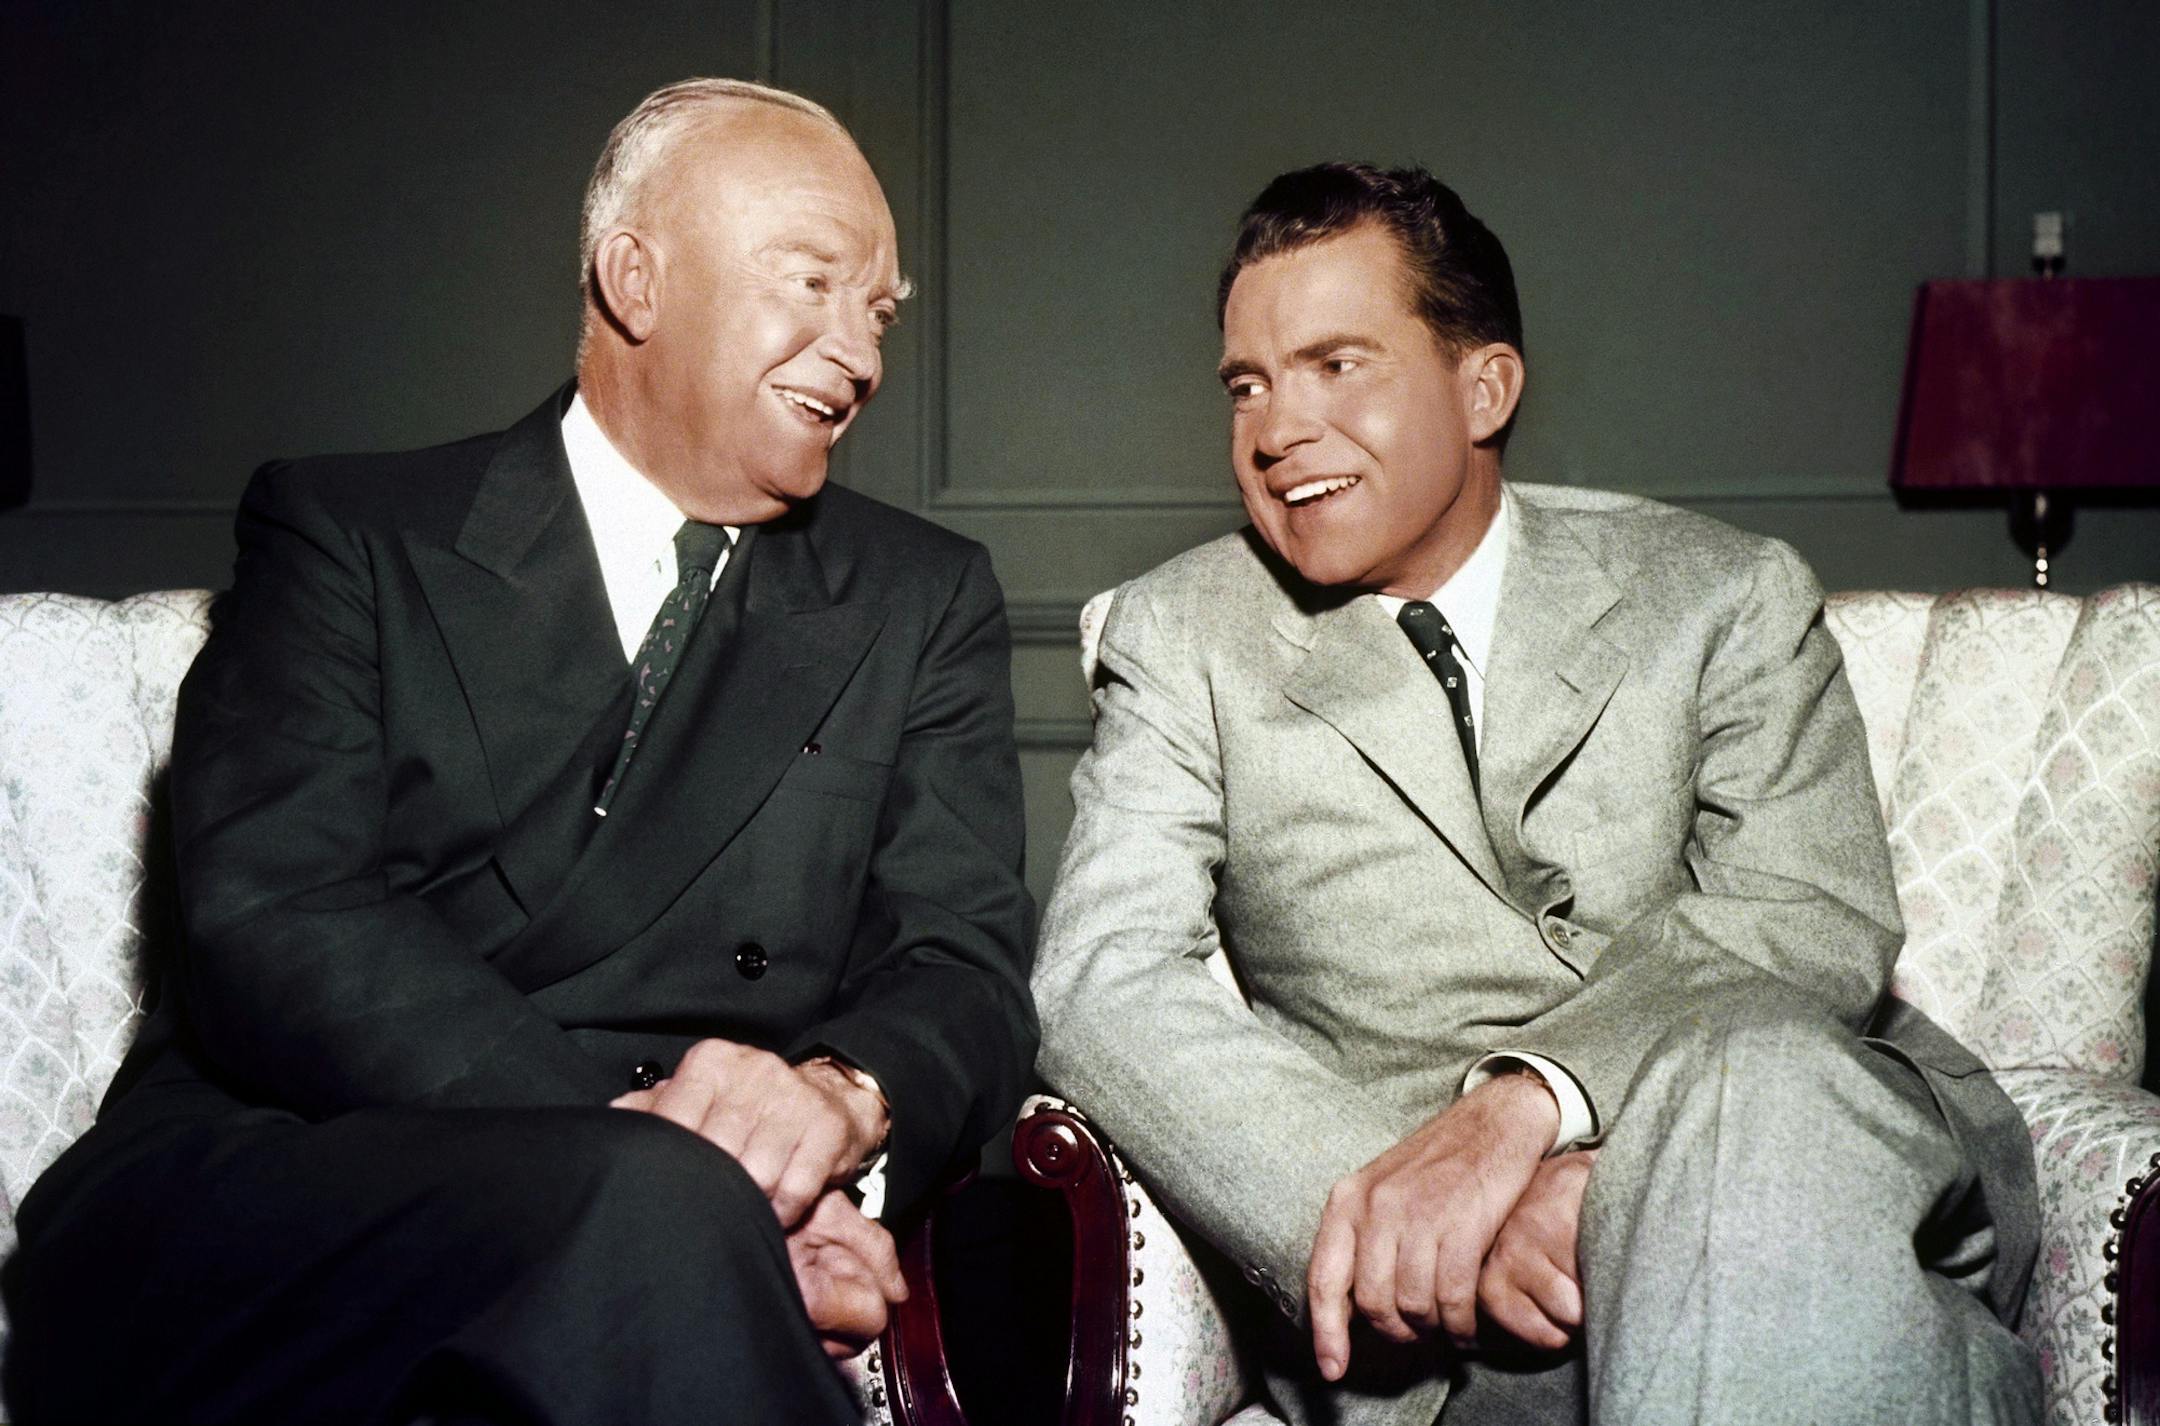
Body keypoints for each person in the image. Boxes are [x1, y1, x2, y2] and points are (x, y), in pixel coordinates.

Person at [4, 78, 1035, 1426]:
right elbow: (275, 915)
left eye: (881, 312)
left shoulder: (922, 595)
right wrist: (662, 1143)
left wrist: (833, 1111)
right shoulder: (349, 532)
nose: (862, 354)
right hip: (292, 1175)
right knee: (650, 1212)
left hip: (701, 1210)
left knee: (655, 1230)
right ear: (636, 279)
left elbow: (961, 961)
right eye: (815, 283)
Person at [1031, 163, 2040, 1426]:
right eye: (1249, 384)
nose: (1277, 429)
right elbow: (1108, 980)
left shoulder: (1720, 593)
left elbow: (1806, 910)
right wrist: (1395, 1209)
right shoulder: (1181, 635)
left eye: (1338, 364)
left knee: (1762, 1088)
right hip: (1474, 1335)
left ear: (1485, 386)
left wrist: (1536, 1111)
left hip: (1791, 1157)